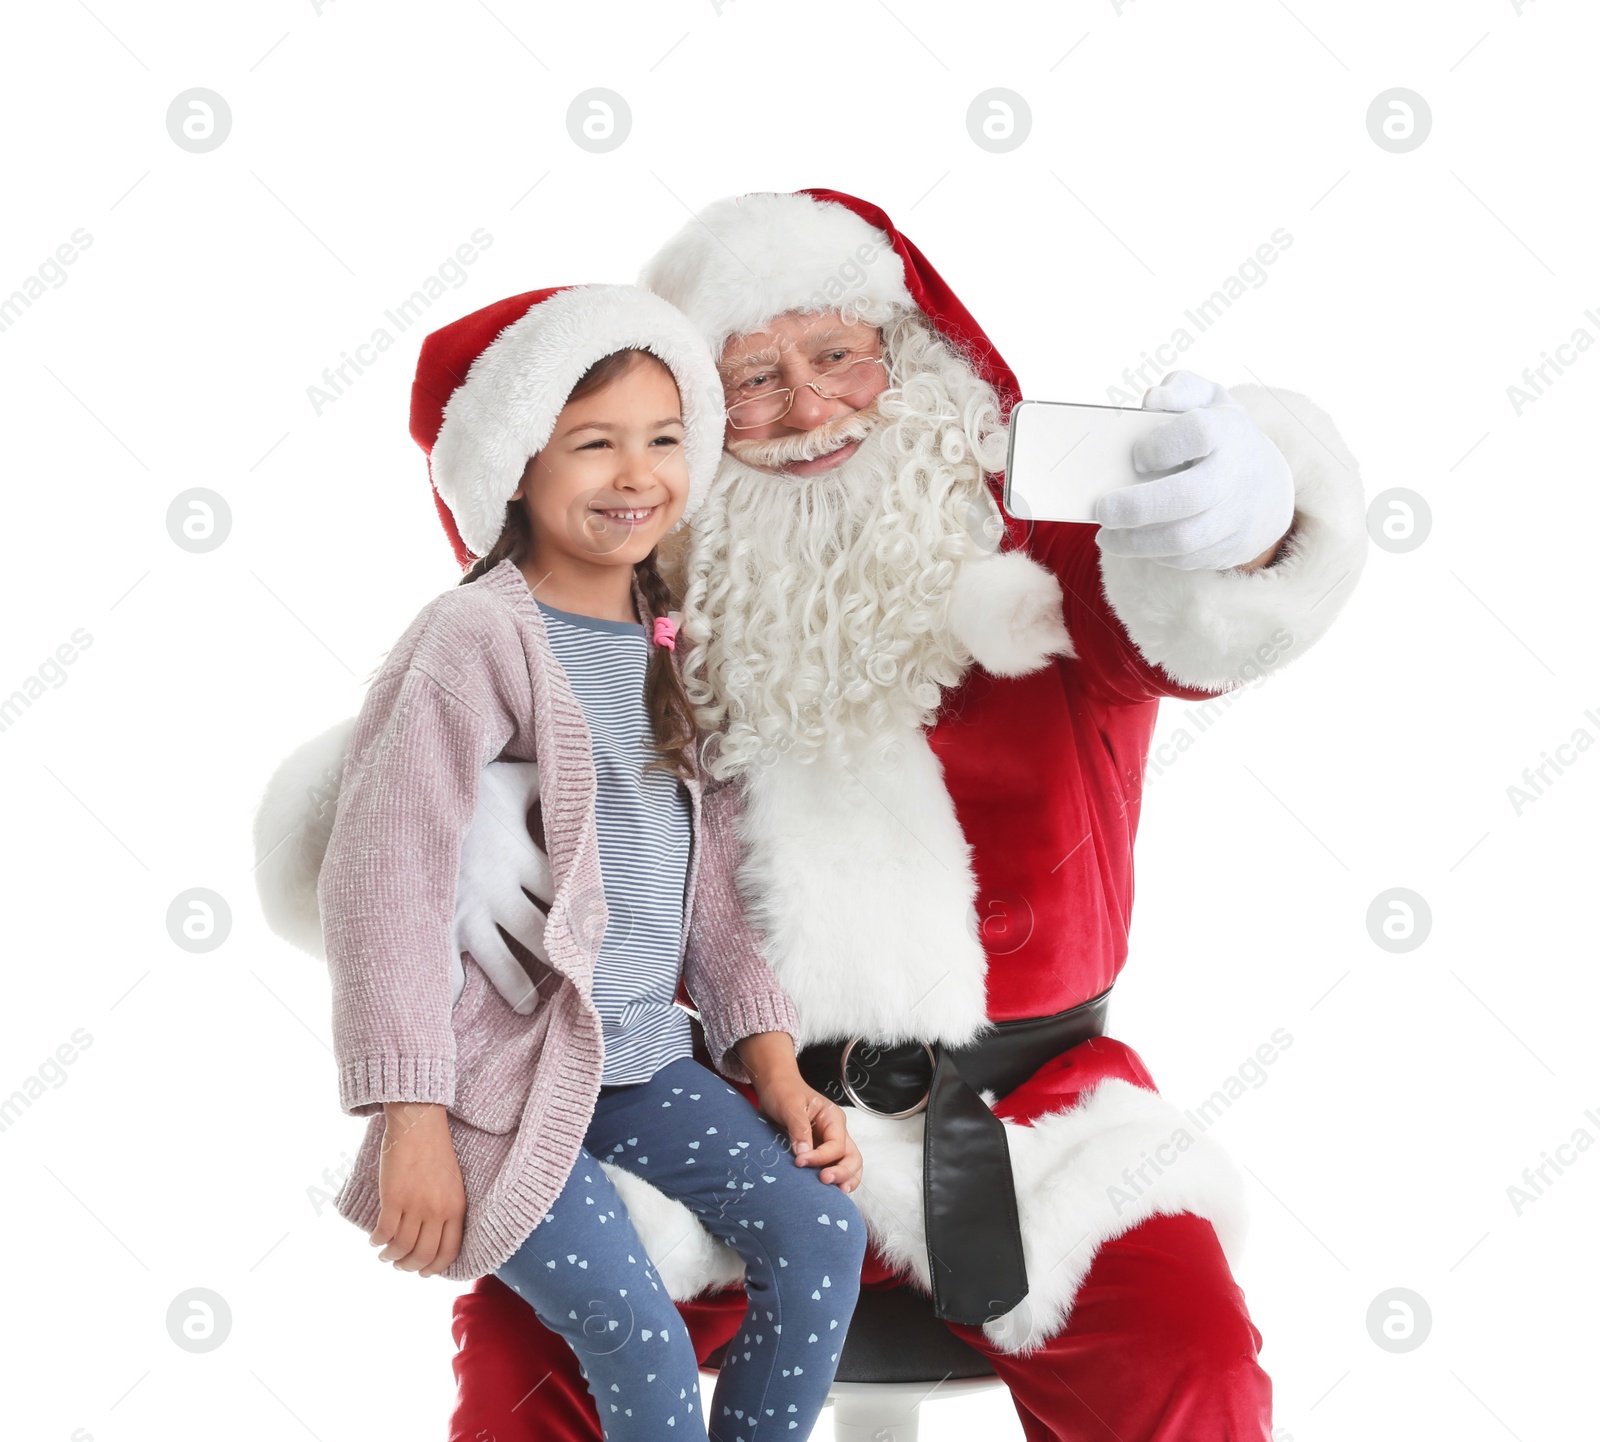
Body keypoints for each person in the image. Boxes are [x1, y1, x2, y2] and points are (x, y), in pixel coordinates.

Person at [425, 193, 1371, 1442]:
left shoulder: (1050, 560)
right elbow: (449, 680)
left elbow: (1194, 609)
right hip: (710, 1109)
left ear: (916, 361)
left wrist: (1261, 514)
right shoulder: (634, 607)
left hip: (1034, 1126)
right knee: (526, 1357)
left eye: (837, 356)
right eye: (749, 378)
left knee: (1187, 1374)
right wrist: (455, 811)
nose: (808, 413)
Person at [307, 282, 867, 1442]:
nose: (636, 474)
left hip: (641, 1060)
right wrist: (412, 1114)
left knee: (821, 1230)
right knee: (641, 1331)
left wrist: (771, 1063)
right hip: (493, 1075)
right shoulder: (473, 640)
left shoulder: (670, 638)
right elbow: (386, 882)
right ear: (518, 465)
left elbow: (707, 887)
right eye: (593, 443)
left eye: (664, 440)